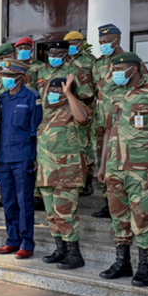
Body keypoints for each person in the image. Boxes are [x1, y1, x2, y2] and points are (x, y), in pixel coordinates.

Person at [96, 53, 148, 287]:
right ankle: (123, 262)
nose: (116, 72)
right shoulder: (114, 93)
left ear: (136, 69)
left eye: (121, 68)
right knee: (119, 217)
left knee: (143, 217)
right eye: (114, 68)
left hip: (141, 168)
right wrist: (102, 164)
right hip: (115, 167)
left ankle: (144, 267)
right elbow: (109, 131)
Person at [37, 75, 92, 270]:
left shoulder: (76, 109)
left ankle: (74, 254)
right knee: (52, 215)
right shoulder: (49, 115)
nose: (53, 95)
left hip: (67, 173)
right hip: (47, 173)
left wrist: (68, 94)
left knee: (65, 215)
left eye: (58, 91)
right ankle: (60, 249)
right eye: (50, 91)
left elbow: (83, 120)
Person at [0, 59, 43, 259]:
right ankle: (12, 240)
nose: (5, 79)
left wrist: (35, 158)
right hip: (4, 158)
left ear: (20, 77)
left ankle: (26, 242)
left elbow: (36, 129)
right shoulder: (2, 99)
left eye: (9, 76)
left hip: (23, 157)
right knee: (8, 201)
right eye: (4, 75)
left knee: (24, 202)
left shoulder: (32, 97)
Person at [91, 23, 126, 219]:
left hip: (124, 122)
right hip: (103, 123)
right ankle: (108, 202)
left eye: (106, 41)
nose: (103, 45)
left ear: (117, 40)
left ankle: (125, 202)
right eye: (100, 42)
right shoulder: (98, 64)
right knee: (103, 160)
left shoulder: (129, 61)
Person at [65, 30, 98, 196]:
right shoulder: (62, 60)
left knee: (85, 143)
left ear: (80, 43)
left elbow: (96, 82)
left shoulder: (89, 61)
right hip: (66, 106)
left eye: (73, 44)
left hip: (85, 103)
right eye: (68, 45)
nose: (70, 47)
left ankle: (88, 180)